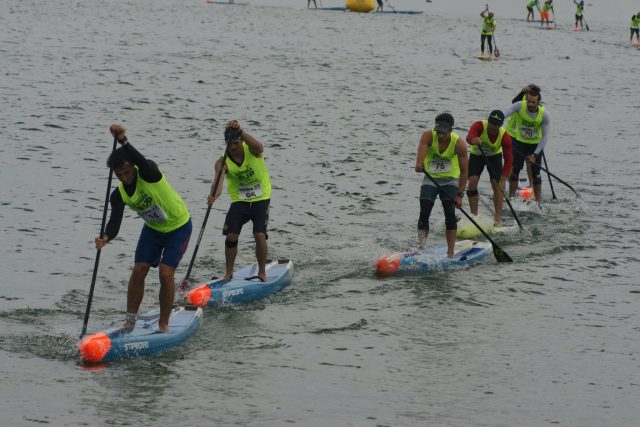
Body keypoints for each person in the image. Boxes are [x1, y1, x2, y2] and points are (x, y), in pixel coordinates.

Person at [95, 125, 192, 332]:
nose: (124, 177)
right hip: (154, 229)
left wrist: (123, 140)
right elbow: (114, 222)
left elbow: (140, 160)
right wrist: (105, 237)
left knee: (166, 274)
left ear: (133, 167)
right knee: (139, 269)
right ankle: (130, 320)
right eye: (119, 174)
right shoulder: (118, 194)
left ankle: (164, 324)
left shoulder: (148, 172)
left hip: (179, 226)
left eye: (127, 172)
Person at [208, 120, 272, 282]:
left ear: (241, 141)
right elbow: (219, 181)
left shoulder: (252, 150)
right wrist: (213, 195)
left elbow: (260, 147)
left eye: (236, 143)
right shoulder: (222, 162)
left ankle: (262, 272)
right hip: (240, 201)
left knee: (259, 234)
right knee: (231, 236)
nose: (233, 147)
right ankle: (229, 273)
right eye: (230, 144)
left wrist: (241, 132)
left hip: (261, 197)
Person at [414, 113, 468, 258]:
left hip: (450, 180)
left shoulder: (459, 145)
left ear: (450, 130)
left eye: (443, 133)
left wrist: (459, 195)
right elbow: (421, 154)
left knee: (449, 214)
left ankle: (450, 252)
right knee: (424, 212)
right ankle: (421, 248)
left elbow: (464, 172)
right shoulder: (428, 136)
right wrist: (419, 163)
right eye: (438, 131)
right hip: (431, 179)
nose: (440, 135)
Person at [501, 85, 550, 205]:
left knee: (536, 174)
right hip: (519, 142)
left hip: (535, 144)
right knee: (515, 170)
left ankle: (537, 203)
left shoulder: (544, 114)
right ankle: (511, 199)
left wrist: (535, 154)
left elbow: (545, 137)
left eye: (533, 102)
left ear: (538, 102)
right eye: (529, 101)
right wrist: (496, 121)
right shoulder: (520, 105)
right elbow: (504, 113)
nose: (530, 104)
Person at [465, 110, 513, 226]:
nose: (492, 126)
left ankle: (498, 218)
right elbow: (469, 136)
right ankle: (474, 216)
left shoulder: (504, 136)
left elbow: (509, 160)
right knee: (472, 182)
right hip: (477, 155)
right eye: (491, 123)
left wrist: (504, 179)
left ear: (500, 125)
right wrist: (473, 140)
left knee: (497, 185)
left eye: (496, 125)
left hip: (494, 156)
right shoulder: (480, 125)